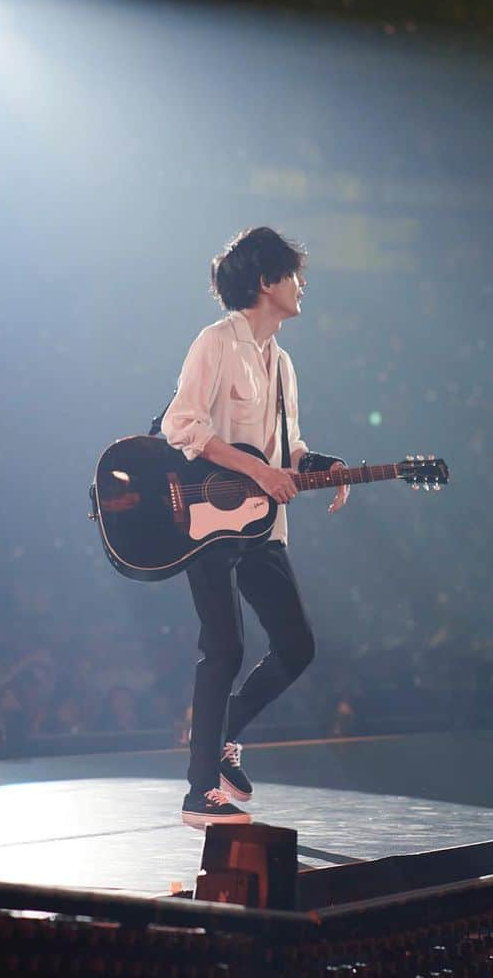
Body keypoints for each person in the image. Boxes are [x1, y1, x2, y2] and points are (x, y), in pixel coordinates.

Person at [160, 227, 350, 828]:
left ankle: (220, 737)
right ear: (266, 282)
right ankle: (198, 794)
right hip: (207, 518)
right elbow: (182, 426)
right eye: (293, 275)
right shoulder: (214, 343)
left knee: (297, 646)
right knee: (224, 646)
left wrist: (323, 467)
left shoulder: (282, 362)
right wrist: (257, 471)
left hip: (263, 524)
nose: (302, 286)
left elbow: (287, 450)